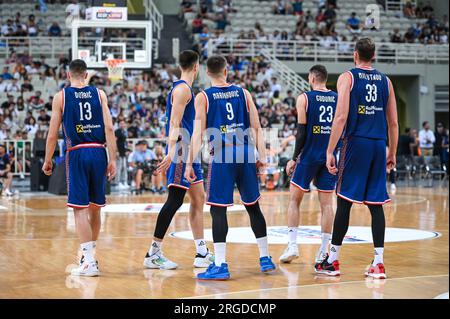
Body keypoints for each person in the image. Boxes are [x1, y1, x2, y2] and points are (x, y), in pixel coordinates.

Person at [185, 55, 276, 280]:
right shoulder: (244, 93)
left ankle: (220, 264)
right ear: (226, 71)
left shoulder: (203, 97)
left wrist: (189, 162)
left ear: (207, 73)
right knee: (253, 206)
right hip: (245, 152)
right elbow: (256, 126)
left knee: (218, 209)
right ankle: (265, 258)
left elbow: (197, 133)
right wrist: (262, 156)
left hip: (223, 154)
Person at [318, 38, 398, 279]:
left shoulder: (348, 77)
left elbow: (341, 116)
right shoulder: (386, 81)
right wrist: (391, 152)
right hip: (377, 144)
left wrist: (330, 150)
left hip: (356, 142)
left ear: (355, 55)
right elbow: (393, 122)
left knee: (344, 201)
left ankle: (332, 260)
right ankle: (379, 263)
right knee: (375, 205)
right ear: (373, 56)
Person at [43, 59, 117, 277]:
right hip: (98, 151)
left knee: (79, 209)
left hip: (76, 152)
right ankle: (89, 256)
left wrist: (48, 159)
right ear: (86, 75)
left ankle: (88, 262)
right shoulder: (100, 94)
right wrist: (112, 158)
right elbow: (110, 128)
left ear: (68, 75)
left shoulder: (61, 97)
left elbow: (52, 133)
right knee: (95, 208)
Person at [143, 50, 213, 270]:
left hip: (188, 151)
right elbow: (174, 122)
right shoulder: (183, 89)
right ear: (196, 66)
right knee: (174, 200)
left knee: (199, 198)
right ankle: (153, 252)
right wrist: (172, 152)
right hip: (181, 150)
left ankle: (202, 251)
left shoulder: (184, 88)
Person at [280, 65, 337, 268]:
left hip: (309, 155)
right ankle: (323, 251)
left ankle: (292, 245)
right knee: (327, 205)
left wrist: (294, 158)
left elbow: (301, 132)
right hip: (330, 155)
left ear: (312, 78)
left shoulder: (304, 98)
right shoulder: (337, 98)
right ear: (325, 78)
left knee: (294, 200)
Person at [115, 119, 129, 190]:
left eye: (123, 123)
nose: (122, 125)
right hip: (119, 152)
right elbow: (114, 141)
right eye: (121, 123)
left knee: (124, 167)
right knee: (119, 168)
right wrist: (116, 151)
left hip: (123, 152)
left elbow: (125, 143)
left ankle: (124, 182)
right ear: (118, 124)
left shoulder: (124, 132)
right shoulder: (117, 131)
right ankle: (117, 183)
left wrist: (127, 150)